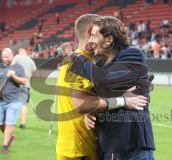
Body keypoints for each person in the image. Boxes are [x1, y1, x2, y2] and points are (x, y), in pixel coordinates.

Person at [56, 14, 148, 160]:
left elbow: (103, 88)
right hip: (78, 150)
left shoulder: (121, 57)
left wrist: (92, 110)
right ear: (89, 33)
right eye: (92, 34)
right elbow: (82, 103)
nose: (93, 38)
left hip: (116, 146)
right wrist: (121, 101)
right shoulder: (74, 65)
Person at [0, 48, 26, 154]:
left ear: (12, 55)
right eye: (3, 57)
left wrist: (13, 75)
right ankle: (10, 137)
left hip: (14, 100)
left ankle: (5, 146)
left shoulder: (18, 67)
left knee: (9, 123)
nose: (5, 59)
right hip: (0, 101)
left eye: (7, 57)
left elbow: (23, 81)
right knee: (0, 123)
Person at [12, 48, 37, 129]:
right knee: (23, 104)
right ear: (25, 53)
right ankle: (23, 123)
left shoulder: (17, 57)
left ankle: (11, 121)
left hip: (15, 83)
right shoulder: (30, 60)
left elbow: (11, 67)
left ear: (20, 52)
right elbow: (35, 73)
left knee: (12, 102)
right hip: (26, 84)